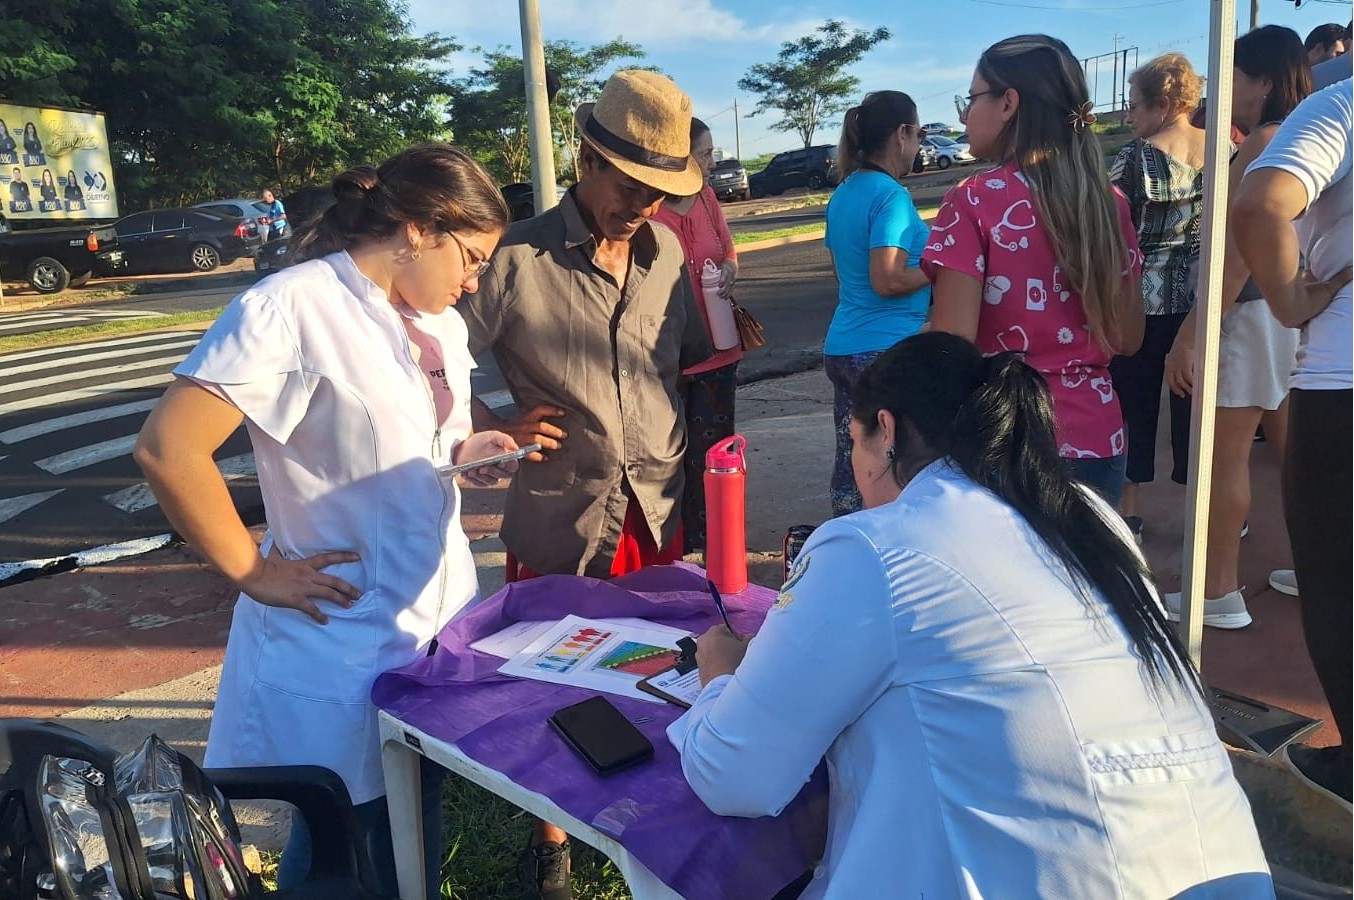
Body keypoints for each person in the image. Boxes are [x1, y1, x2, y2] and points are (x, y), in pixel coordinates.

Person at [669, 331, 1273, 899]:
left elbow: (735, 775)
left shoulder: (875, 545)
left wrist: (720, 674)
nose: (855, 466)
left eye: (854, 443)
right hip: (1219, 867)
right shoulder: (1088, 512)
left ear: (886, 430)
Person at [134, 144, 515, 898]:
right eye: (468, 257)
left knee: (415, 804)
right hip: (341, 630)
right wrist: (252, 572)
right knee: (352, 837)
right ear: (415, 229)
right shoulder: (293, 307)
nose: (474, 281)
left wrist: (470, 452)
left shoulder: (438, 325)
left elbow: (416, 441)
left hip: (430, 615)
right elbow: (167, 450)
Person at [457, 69, 711, 899]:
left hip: (656, 500)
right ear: (587, 161)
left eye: (657, 191)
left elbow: (673, 363)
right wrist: (489, 423)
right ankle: (555, 846)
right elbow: (429, 358)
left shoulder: (668, 248)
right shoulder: (516, 256)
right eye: (629, 184)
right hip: (564, 508)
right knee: (552, 680)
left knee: (660, 664)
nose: (641, 204)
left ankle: (649, 813)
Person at [923, 34, 1145, 505]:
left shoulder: (973, 201)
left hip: (1006, 438)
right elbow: (1127, 338)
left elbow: (952, 350)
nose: (965, 114)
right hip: (1098, 436)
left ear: (1008, 103)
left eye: (972, 96)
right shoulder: (1109, 204)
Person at [1163, 26, 1310, 626]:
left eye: (1235, 77)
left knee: (1223, 460)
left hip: (1246, 315)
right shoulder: (1305, 135)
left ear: (1263, 82)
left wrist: (1192, 332)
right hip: (1282, 314)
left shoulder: (1262, 144)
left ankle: (1217, 591)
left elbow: (1237, 252)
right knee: (1296, 451)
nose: (1225, 90)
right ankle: (1316, 565)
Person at [1234, 77, 1353, 804]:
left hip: (1345, 384)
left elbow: (1260, 204)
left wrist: (1288, 300)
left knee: (1340, 586)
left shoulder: (1341, 105)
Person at [1106, 54, 1206, 542]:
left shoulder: (1134, 158)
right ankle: (1204, 507)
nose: (1130, 117)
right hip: (1200, 300)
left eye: (1135, 106)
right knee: (1196, 407)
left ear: (1162, 104)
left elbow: (1106, 230)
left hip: (1139, 301)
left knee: (1132, 403)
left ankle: (1129, 511)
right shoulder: (1224, 152)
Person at [822, 90, 929, 516]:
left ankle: (846, 537)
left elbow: (842, 275)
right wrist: (941, 267)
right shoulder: (891, 197)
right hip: (886, 351)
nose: (919, 144)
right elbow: (886, 279)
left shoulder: (844, 193)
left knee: (853, 459)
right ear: (902, 133)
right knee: (898, 463)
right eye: (919, 134)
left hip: (844, 346)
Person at [650, 116, 743, 552]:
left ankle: (713, 542)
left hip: (719, 349)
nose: (710, 162)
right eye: (703, 154)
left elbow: (727, 249)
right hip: (667, 355)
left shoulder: (707, 198)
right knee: (670, 453)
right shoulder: (650, 208)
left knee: (715, 451)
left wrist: (729, 269)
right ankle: (676, 543)